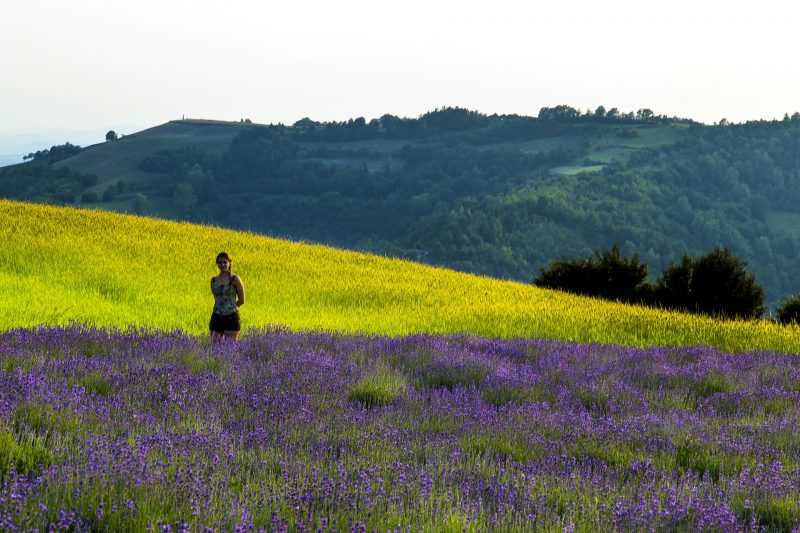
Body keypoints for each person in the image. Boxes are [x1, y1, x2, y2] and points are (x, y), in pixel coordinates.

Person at [209, 251, 245, 343]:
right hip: (216, 316)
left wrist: (231, 308)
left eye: (225, 262)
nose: (222, 264)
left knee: (231, 348)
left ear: (229, 263)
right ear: (217, 264)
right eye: (220, 262)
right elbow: (217, 299)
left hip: (231, 317)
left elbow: (241, 300)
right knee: (214, 346)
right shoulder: (214, 281)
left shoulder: (235, 279)